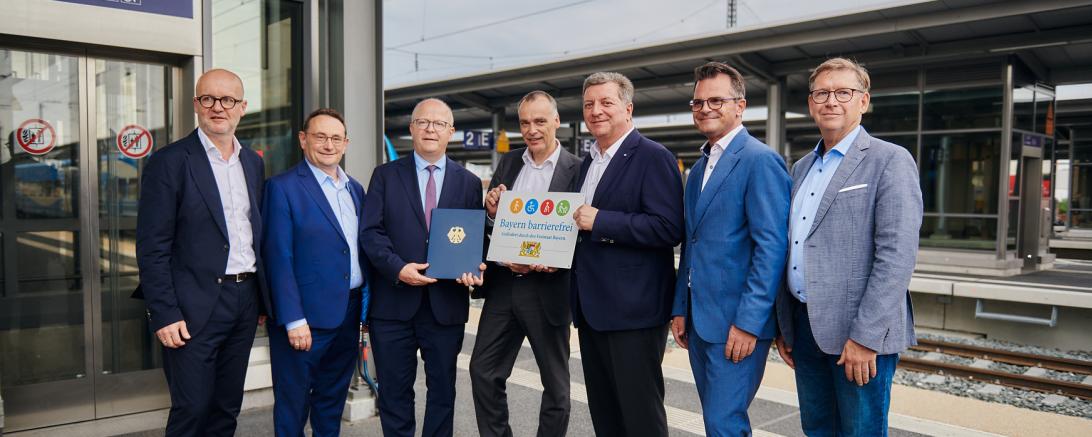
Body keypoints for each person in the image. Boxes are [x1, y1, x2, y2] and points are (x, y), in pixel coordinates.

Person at [774, 57, 922, 437]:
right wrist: (785, 326)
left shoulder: (890, 161)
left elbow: (896, 256)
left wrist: (865, 337)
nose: (831, 101)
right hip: (806, 329)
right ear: (810, 104)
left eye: (844, 92)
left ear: (864, 101)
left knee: (861, 432)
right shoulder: (801, 168)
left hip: (858, 335)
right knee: (818, 429)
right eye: (821, 93)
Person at [135, 68, 270, 437]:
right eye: (208, 98)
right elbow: (152, 246)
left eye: (227, 100)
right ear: (196, 104)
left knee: (226, 408)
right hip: (192, 304)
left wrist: (259, 302)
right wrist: (164, 313)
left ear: (242, 107)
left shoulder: (253, 163)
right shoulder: (170, 161)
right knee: (192, 409)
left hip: (244, 300)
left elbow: (253, 234)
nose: (218, 107)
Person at [670, 62, 791, 435]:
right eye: (698, 102)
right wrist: (680, 308)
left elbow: (771, 247)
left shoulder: (759, 160)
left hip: (737, 322)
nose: (705, 108)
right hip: (699, 321)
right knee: (715, 421)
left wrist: (750, 322)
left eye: (716, 100)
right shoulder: (698, 168)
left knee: (724, 423)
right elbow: (691, 245)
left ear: (740, 106)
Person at [362, 98, 486, 437]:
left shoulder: (469, 183)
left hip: (445, 306)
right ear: (413, 129)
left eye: (439, 124)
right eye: (423, 122)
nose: (431, 129)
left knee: (443, 393)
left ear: (451, 132)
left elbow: (473, 241)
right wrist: (398, 268)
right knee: (394, 393)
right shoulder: (385, 176)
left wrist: (474, 268)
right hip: (393, 304)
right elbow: (371, 233)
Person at [569, 72, 684, 436]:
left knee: (640, 417)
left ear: (628, 108)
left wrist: (602, 221)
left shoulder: (653, 156)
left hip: (634, 312)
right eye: (589, 104)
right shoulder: (589, 163)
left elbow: (668, 228)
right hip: (591, 310)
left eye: (606, 102)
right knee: (606, 415)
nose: (596, 110)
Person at [470, 90, 581, 437]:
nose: (531, 129)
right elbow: (493, 221)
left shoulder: (577, 169)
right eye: (525, 122)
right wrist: (490, 212)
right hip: (505, 286)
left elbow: (581, 231)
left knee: (557, 387)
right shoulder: (510, 161)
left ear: (557, 122)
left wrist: (556, 262)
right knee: (482, 371)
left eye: (540, 121)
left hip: (547, 290)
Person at [263, 108, 369, 437]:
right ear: (303, 139)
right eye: (320, 136)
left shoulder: (355, 189)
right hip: (304, 319)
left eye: (336, 138)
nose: (328, 144)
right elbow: (277, 256)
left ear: (346, 143)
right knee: (293, 405)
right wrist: (293, 319)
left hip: (348, 313)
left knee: (331, 401)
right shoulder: (282, 188)